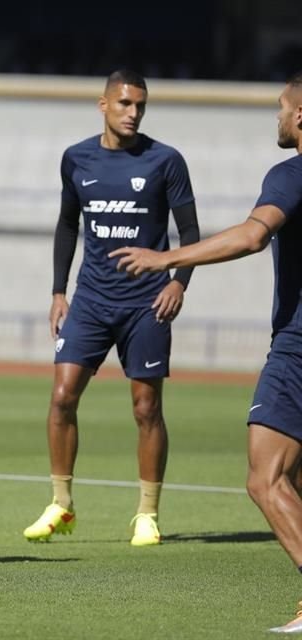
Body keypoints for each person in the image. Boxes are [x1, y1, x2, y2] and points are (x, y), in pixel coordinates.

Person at [111, 71, 302, 633]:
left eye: (281, 109)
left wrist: (167, 259)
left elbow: (251, 235)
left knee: (265, 479)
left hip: (298, 348)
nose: (277, 118)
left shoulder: (292, 174)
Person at [22, 69, 201, 546]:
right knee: (62, 397)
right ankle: (61, 504)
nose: (133, 113)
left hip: (146, 304)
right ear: (104, 104)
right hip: (91, 301)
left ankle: (147, 513)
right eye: (124, 104)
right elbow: (66, 225)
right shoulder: (76, 158)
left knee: (146, 408)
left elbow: (191, 234)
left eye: (140, 105)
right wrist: (59, 292)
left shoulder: (166, 161)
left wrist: (179, 282)